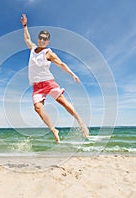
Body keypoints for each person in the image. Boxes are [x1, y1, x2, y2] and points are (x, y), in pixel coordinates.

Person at [21, 14, 89, 143]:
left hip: (48, 82)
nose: (42, 40)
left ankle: (81, 122)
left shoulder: (49, 53)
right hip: (37, 86)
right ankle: (54, 130)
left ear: (47, 42)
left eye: (45, 39)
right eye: (40, 38)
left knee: (62, 102)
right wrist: (24, 25)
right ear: (39, 39)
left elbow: (61, 64)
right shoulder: (33, 49)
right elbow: (27, 38)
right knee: (37, 108)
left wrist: (72, 74)